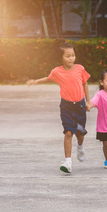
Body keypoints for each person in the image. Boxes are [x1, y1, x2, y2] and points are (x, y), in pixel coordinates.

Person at [27, 40, 90, 174]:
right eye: (68, 56)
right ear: (61, 58)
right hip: (66, 106)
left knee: (80, 133)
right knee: (68, 133)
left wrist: (88, 102)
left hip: (80, 105)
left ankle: (80, 146)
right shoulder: (57, 71)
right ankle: (68, 162)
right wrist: (35, 82)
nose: (71, 58)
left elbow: (85, 84)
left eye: (73, 55)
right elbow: (48, 78)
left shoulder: (80, 69)